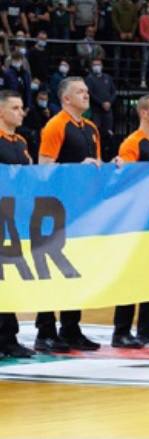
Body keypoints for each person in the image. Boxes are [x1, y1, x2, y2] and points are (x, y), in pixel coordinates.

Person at [35, 77, 102, 352]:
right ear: (66, 98)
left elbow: (95, 167)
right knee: (52, 270)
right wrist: (76, 168)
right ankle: (45, 331)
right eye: (80, 91)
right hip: (56, 209)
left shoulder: (91, 128)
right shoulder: (56, 125)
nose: (86, 95)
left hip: (82, 209)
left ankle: (71, 328)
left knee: (76, 270)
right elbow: (44, 167)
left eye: (86, 91)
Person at [111, 94, 149, 348]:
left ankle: (148, 327)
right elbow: (124, 179)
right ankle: (121, 330)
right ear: (144, 113)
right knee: (131, 275)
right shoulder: (132, 142)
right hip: (135, 219)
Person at [0, 90, 36, 359]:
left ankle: (8, 337)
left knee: (8, 278)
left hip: (14, 217)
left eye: (21, 107)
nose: (21, 112)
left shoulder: (21, 141)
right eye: (15, 108)